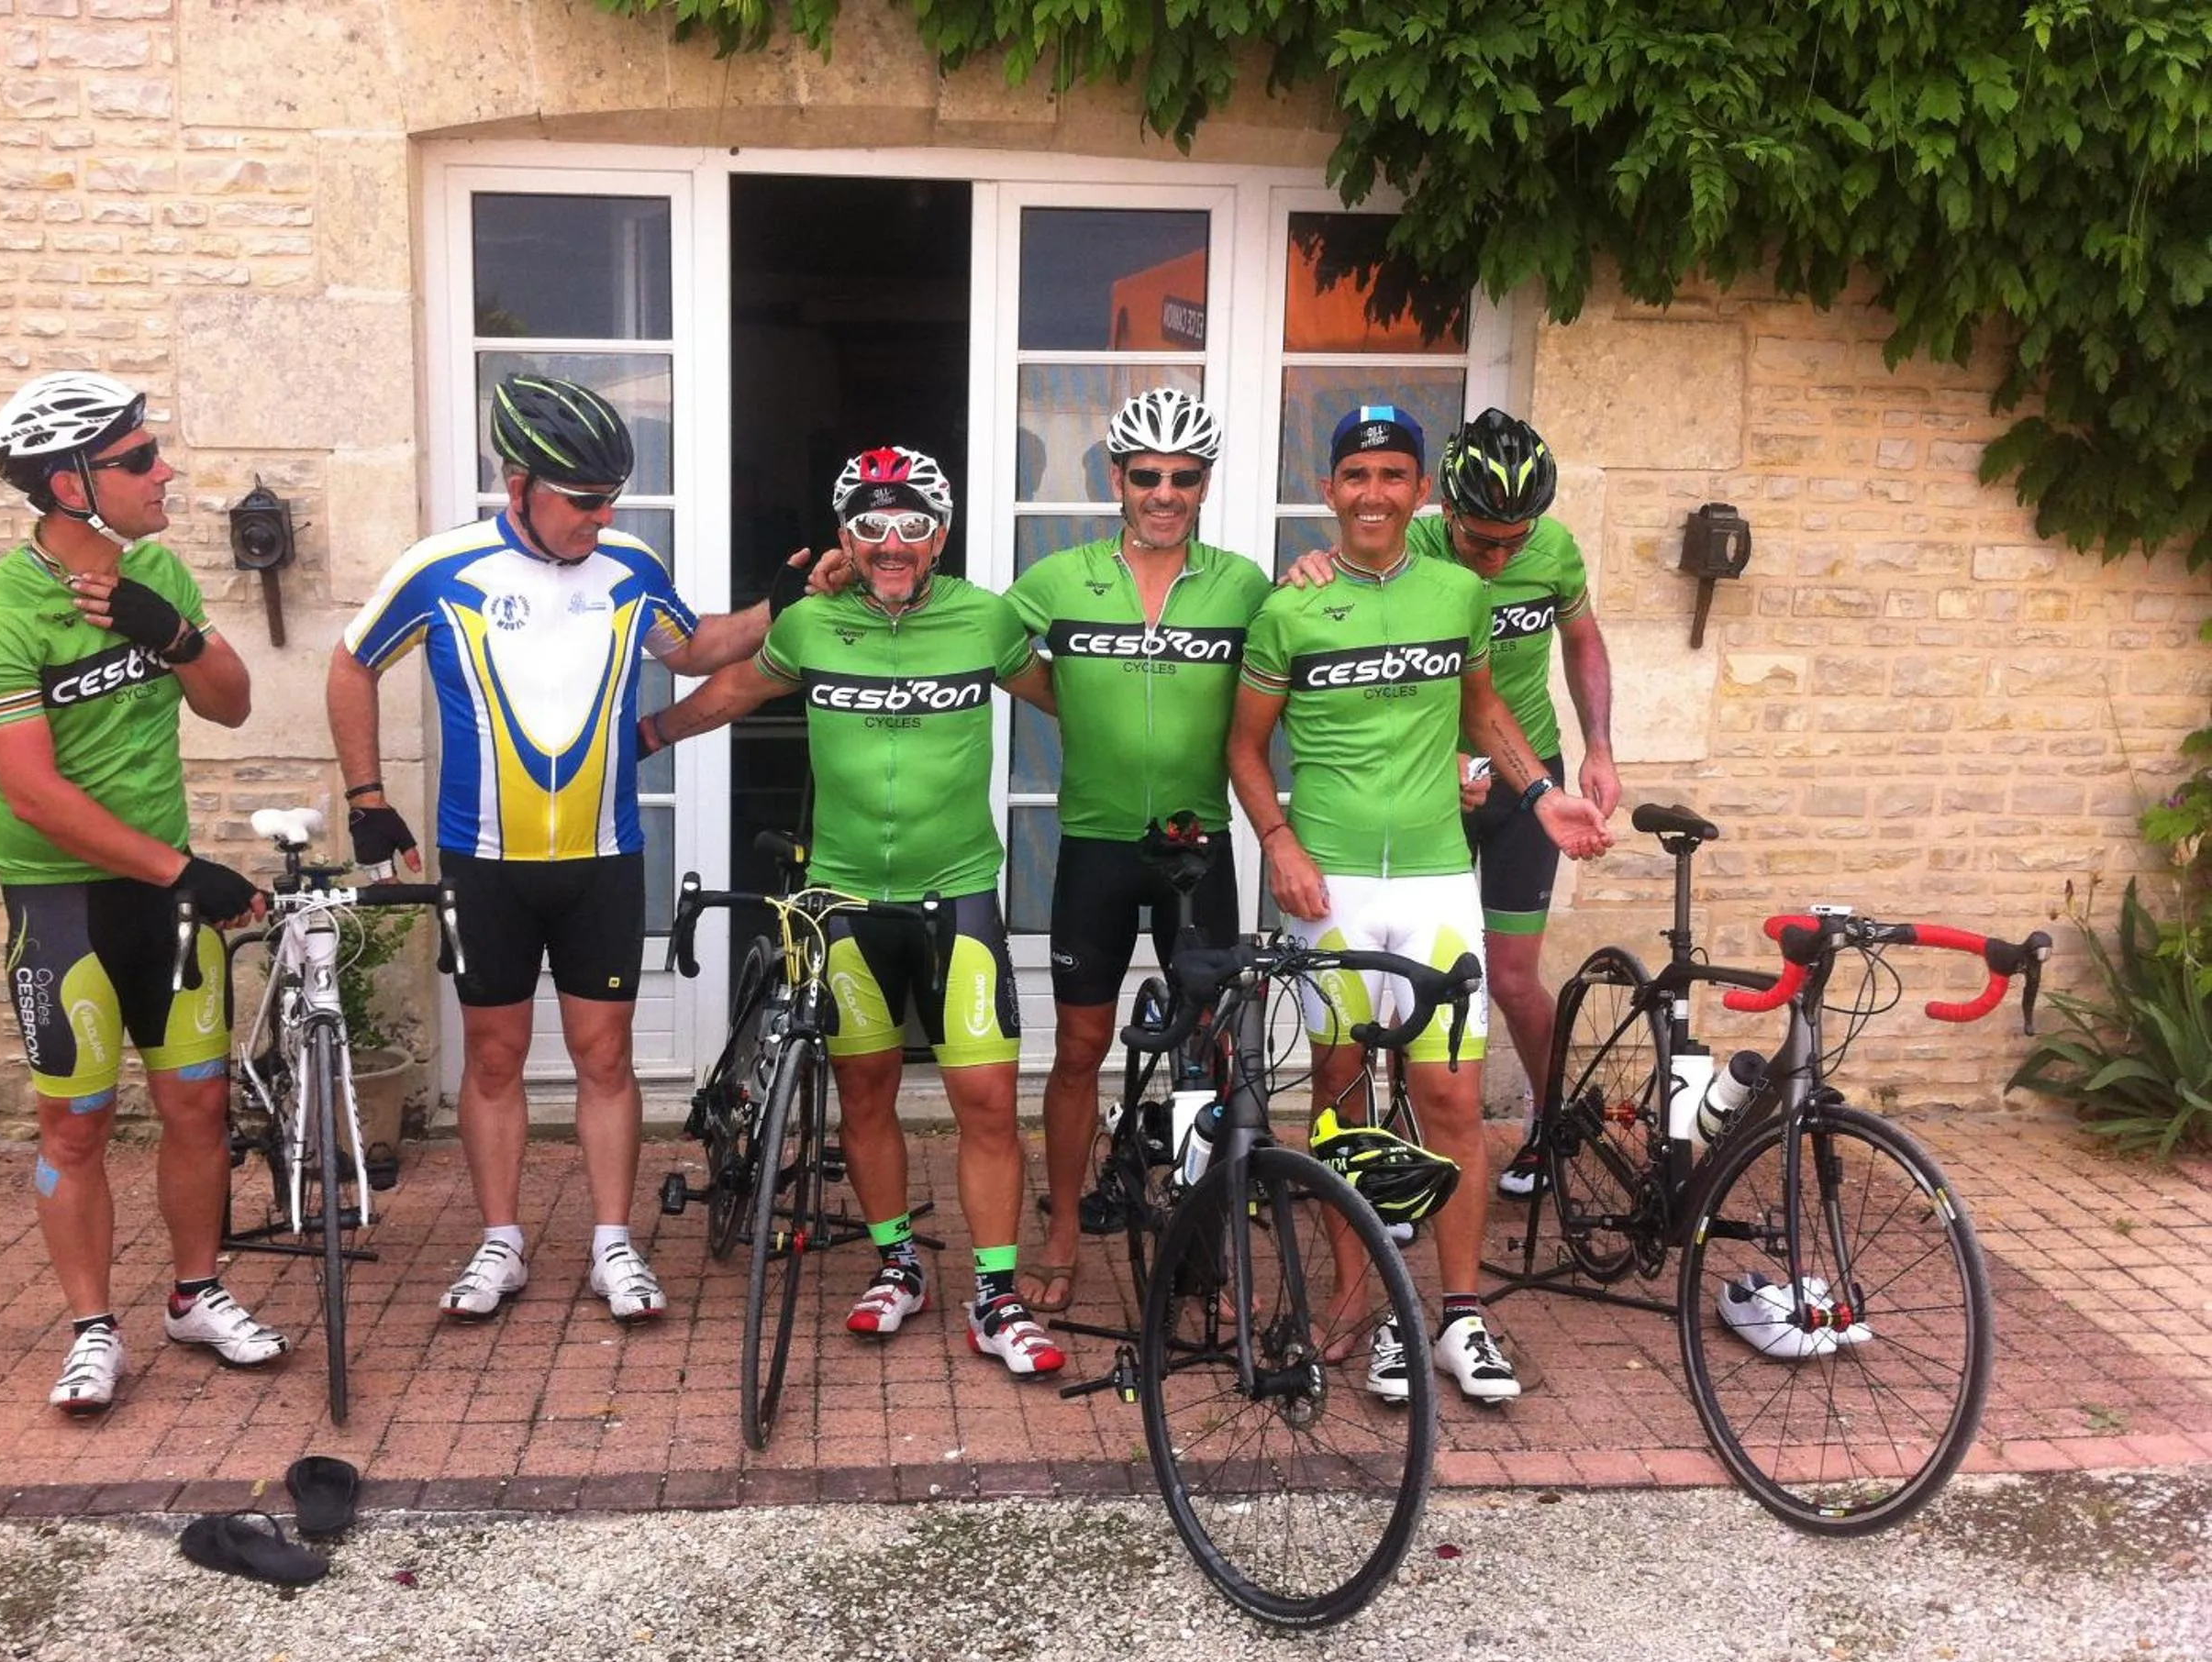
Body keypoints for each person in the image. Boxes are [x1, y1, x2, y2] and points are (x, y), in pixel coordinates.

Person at [327, 373, 778, 1329]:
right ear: (518, 482)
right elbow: (352, 661)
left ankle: (613, 1242)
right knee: (493, 1058)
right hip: (483, 862)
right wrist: (366, 796)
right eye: (584, 499)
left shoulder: (628, 566)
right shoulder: (441, 566)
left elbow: (696, 648)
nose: (602, 516)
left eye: (613, 497)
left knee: (605, 1055)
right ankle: (501, 1239)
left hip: (602, 859)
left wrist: (783, 605)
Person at [650, 447, 1067, 1379]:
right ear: (846, 535)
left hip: (956, 895)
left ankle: (997, 1296)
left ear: (940, 536)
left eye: (912, 524)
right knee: (866, 1091)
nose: (892, 543)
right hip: (841, 900)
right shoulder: (811, 621)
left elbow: (1070, 701)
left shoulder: (986, 619)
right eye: (872, 526)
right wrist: (639, 739)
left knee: (987, 1101)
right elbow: (733, 690)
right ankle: (897, 1264)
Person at [1228, 404, 1611, 1404]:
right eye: (1357, 477)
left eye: (1393, 475)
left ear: (1420, 492)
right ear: (1329, 490)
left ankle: (1461, 1316)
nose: (1374, 494)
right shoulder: (1289, 607)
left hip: (1439, 877)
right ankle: (1358, 1302)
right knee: (1343, 1092)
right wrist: (1278, 841)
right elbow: (1244, 745)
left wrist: (1542, 793)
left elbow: (1484, 707)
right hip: (1333, 884)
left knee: (1450, 1100)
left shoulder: (1457, 591)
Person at [0, 370, 279, 1415]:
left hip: (161, 894)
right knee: (77, 1123)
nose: (163, 471)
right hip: (63, 900)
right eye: (137, 460)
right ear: (69, 485)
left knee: (198, 1104)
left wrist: (171, 634)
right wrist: (187, 871)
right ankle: (93, 1328)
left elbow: (231, 704)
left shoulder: (159, 572)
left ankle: (195, 1293)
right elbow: (35, 796)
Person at [1295, 410, 1619, 1195]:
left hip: (1525, 773)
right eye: (1481, 540)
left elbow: (1582, 638)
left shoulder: (1554, 549)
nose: (1499, 556)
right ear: (1443, 507)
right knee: (1400, 978)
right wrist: (1308, 566)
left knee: (1512, 978)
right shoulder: (1407, 547)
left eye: (1515, 540)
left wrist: (1599, 745)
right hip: (1424, 774)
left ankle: (1550, 1123)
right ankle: (1396, 1152)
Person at [1003, 388, 1273, 1313]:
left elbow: (1307, 661)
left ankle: (1208, 1246)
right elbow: (977, 640)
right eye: (1147, 475)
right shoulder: (1058, 578)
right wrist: (1070, 700)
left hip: (1201, 848)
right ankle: (1063, 1232)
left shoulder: (1245, 584)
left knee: (1211, 1049)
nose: (1164, 493)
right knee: (1079, 1046)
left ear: (1205, 485)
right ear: (1116, 478)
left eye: (1183, 478)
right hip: (1096, 847)